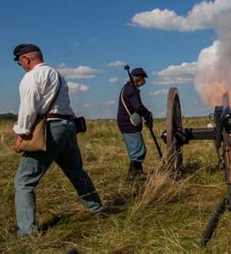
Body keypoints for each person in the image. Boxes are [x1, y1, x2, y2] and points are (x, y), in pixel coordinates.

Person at [11, 44, 103, 236]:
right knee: (76, 172)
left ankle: (27, 232)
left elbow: (29, 107)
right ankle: (97, 210)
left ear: (25, 59)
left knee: (24, 182)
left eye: (21, 62)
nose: (22, 66)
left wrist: (21, 134)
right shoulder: (58, 75)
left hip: (50, 129)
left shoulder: (32, 76)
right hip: (67, 127)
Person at [117, 67, 153, 180]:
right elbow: (138, 107)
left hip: (126, 122)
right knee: (138, 151)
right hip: (129, 123)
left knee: (137, 149)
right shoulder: (131, 90)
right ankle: (132, 177)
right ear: (139, 78)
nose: (144, 82)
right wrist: (147, 114)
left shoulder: (127, 87)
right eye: (143, 79)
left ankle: (138, 173)